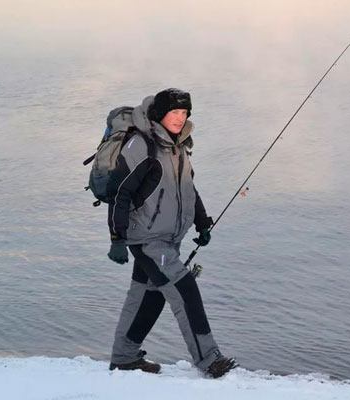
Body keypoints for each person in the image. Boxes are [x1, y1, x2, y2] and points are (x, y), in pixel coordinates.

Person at [105, 88, 236, 378]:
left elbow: (187, 189)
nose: (180, 118)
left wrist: (202, 223)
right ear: (160, 114)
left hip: (169, 238)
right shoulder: (142, 145)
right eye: (174, 112)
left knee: (147, 297)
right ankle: (209, 359)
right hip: (147, 239)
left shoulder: (178, 145)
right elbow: (119, 193)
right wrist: (117, 239)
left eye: (184, 113)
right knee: (184, 288)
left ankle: (124, 357)